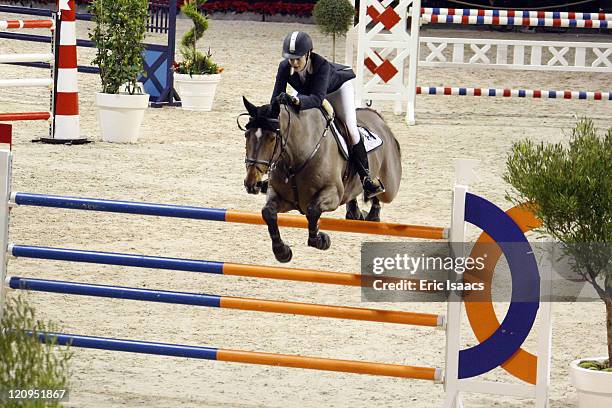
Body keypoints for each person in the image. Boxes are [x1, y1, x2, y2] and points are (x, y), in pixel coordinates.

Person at [270, 31, 385, 199]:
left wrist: (295, 102)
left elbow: (317, 99)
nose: (294, 63)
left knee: (351, 129)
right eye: (291, 59)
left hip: (337, 90)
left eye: (298, 59)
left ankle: (366, 178)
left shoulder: (321, 66)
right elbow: (275, 97)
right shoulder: (284, 67)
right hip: (310, 91)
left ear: (308, 54)